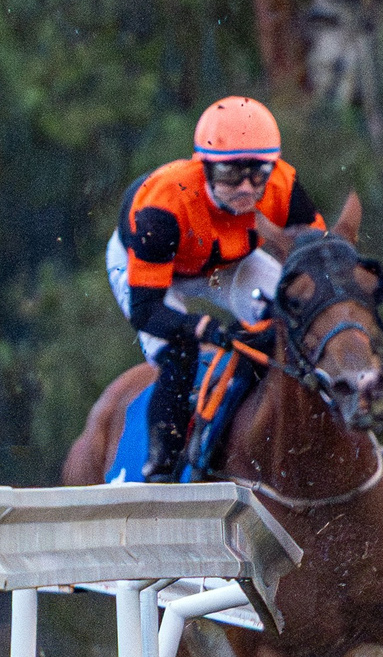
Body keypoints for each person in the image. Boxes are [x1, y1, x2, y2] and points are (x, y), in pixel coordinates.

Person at [106, 96, 325, 481]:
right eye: (229, 174)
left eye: (258, 174)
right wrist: (199, 327)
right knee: (179, 355)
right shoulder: (162, 206)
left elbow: (321, 261)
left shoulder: (284, 186)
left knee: (298, 319)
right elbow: (146, 311)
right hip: (154, 272)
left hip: (227, 261)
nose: (245, 188)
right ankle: (160, 463)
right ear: (203, 167)